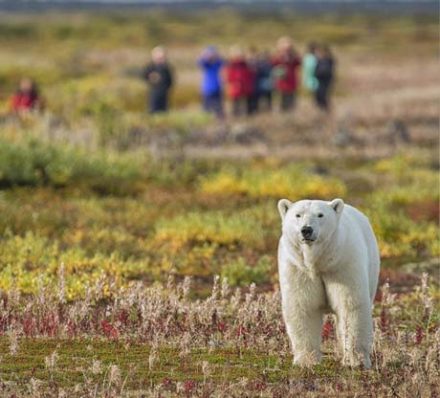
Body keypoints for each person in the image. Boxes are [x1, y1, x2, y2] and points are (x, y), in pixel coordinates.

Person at [272, 37, 301, 112]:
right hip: (282, 82)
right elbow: (273, 63)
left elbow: (298, 63)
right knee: (282, 100)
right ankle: (283, 114)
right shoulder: (277, 55)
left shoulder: (294, 56)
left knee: (291, 100)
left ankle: (290, 114)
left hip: (291, 81)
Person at [225, 45, 255, 117]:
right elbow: (228, 76)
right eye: (237, 54)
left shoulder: (245, 64)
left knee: (246, 103)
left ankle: (247, 116)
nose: (238, 56)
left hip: (245, 86)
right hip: (235, 87)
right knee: (235, 103)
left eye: (240, 54)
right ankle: (236, 116)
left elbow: (250, 75)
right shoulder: (231, 64)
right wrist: (234, 82)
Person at [144, 46, 173, 114]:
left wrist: (166, 88)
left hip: (164, 93)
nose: (160, 59)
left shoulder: (166, 67)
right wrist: (151, 78)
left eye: (162, 57)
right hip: (154, 92)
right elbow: (144, 76)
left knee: (164, 111)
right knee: (153, 110)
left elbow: (170, 80)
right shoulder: (150, 66)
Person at [198, 46, 224, 119]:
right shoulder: (206, 64)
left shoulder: (217, 63)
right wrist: (204, 56)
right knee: (206, 108)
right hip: (207, 89)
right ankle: (206, 119)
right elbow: (200, 62)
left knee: (218, 108)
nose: (211, 55)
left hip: (217, 88)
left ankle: (220, 120)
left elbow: (223, 62)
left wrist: (216, 56)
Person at [314, 45, 335, 111]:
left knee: (324, 96)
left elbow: (327, 71)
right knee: (319, 96)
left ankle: (325, 109)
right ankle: (320, 109)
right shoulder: (319, 60)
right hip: (320, 81)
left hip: (325, 82)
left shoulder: (328, 60)